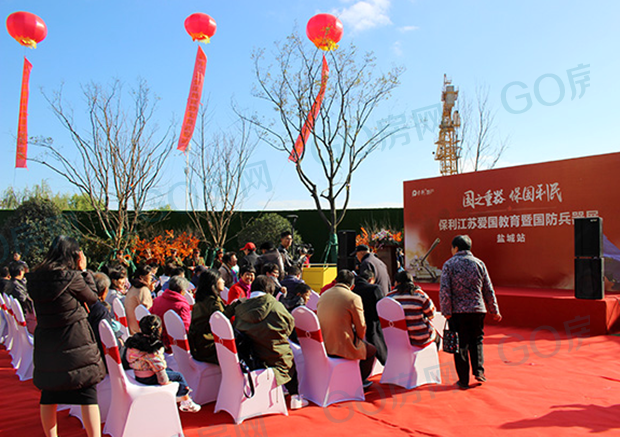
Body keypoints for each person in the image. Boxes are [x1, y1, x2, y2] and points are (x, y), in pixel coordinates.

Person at [28, 236, 106, 437]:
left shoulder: (35, 278)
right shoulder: (72, 278)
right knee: (87, 394)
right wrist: (84, 271)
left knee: (49, 394)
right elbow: (93, 298)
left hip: (47, 342)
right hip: (75, 339)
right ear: (74, 255)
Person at [234, 275, 307, 410]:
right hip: (274, 353)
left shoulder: (241, 308)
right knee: (288, 357)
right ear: (269, 289)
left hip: (250, 355)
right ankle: (295, 396)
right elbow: (289, 326)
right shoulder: (276, 306)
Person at [439, 235, 502, 390]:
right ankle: (479, 371)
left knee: (460, 344)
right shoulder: (479, 263)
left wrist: (446, 311)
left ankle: (463, 380)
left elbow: (445, 290)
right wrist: (494, 310)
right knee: (477, 340)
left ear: (455, 248)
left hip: (457, 311)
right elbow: (488, 289)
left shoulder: (449, 264)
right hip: (477, 309)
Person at [124, 314, 201, 413]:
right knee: (178, 376)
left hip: (138, 373)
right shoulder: (152, 348)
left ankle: (183, 397)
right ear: (159, 330)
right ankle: (186, 401)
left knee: (170, 370)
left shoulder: (134, 343)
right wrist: (165, 382)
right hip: (149, 377)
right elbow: (159, 368)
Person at [317, 269, 377, 387]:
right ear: (352, 286)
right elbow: (361, 327)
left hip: (324, 344)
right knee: (371, 350)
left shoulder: (323, 295)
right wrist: (359, 340)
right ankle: (360, 380)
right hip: (342, 345)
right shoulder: (353, 298)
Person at [188, 269, 241, 364]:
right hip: (209, 347)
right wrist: (237, 304)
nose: (223, 281)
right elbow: (221, 320)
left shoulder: (201, 300)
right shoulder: (212, 302)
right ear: (214, 282)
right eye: (221, 279)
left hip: (199, 345)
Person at [388, 270, 437, 348]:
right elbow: (432, 314)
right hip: (421, 338)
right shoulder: (420, 295)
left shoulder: (389, 297)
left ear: (397, 283)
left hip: (397, 339)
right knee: (436, 337)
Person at [353, 269, 388, 365]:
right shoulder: (374, 289)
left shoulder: (352, 288)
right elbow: (382, 307)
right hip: (373, 324)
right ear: (371, 279)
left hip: (355, 325)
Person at [150, 276, 192, 352]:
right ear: (182, 291)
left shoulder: (157, 300)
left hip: (157, 339)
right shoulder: (182, 306)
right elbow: (185, 328)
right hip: (175, 345)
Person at [89, 272, 124, 363]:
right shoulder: (100, 310)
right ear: (104, 291)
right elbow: (108, 340)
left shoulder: (83, 305)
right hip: (103, 359)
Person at [124, 265, 155, 335]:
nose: (151, 278)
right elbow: (148, 311)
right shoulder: (143, 290)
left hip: (131, 328)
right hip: (139, 330)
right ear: (141, 277)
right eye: (150, 275)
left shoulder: (132, 288)